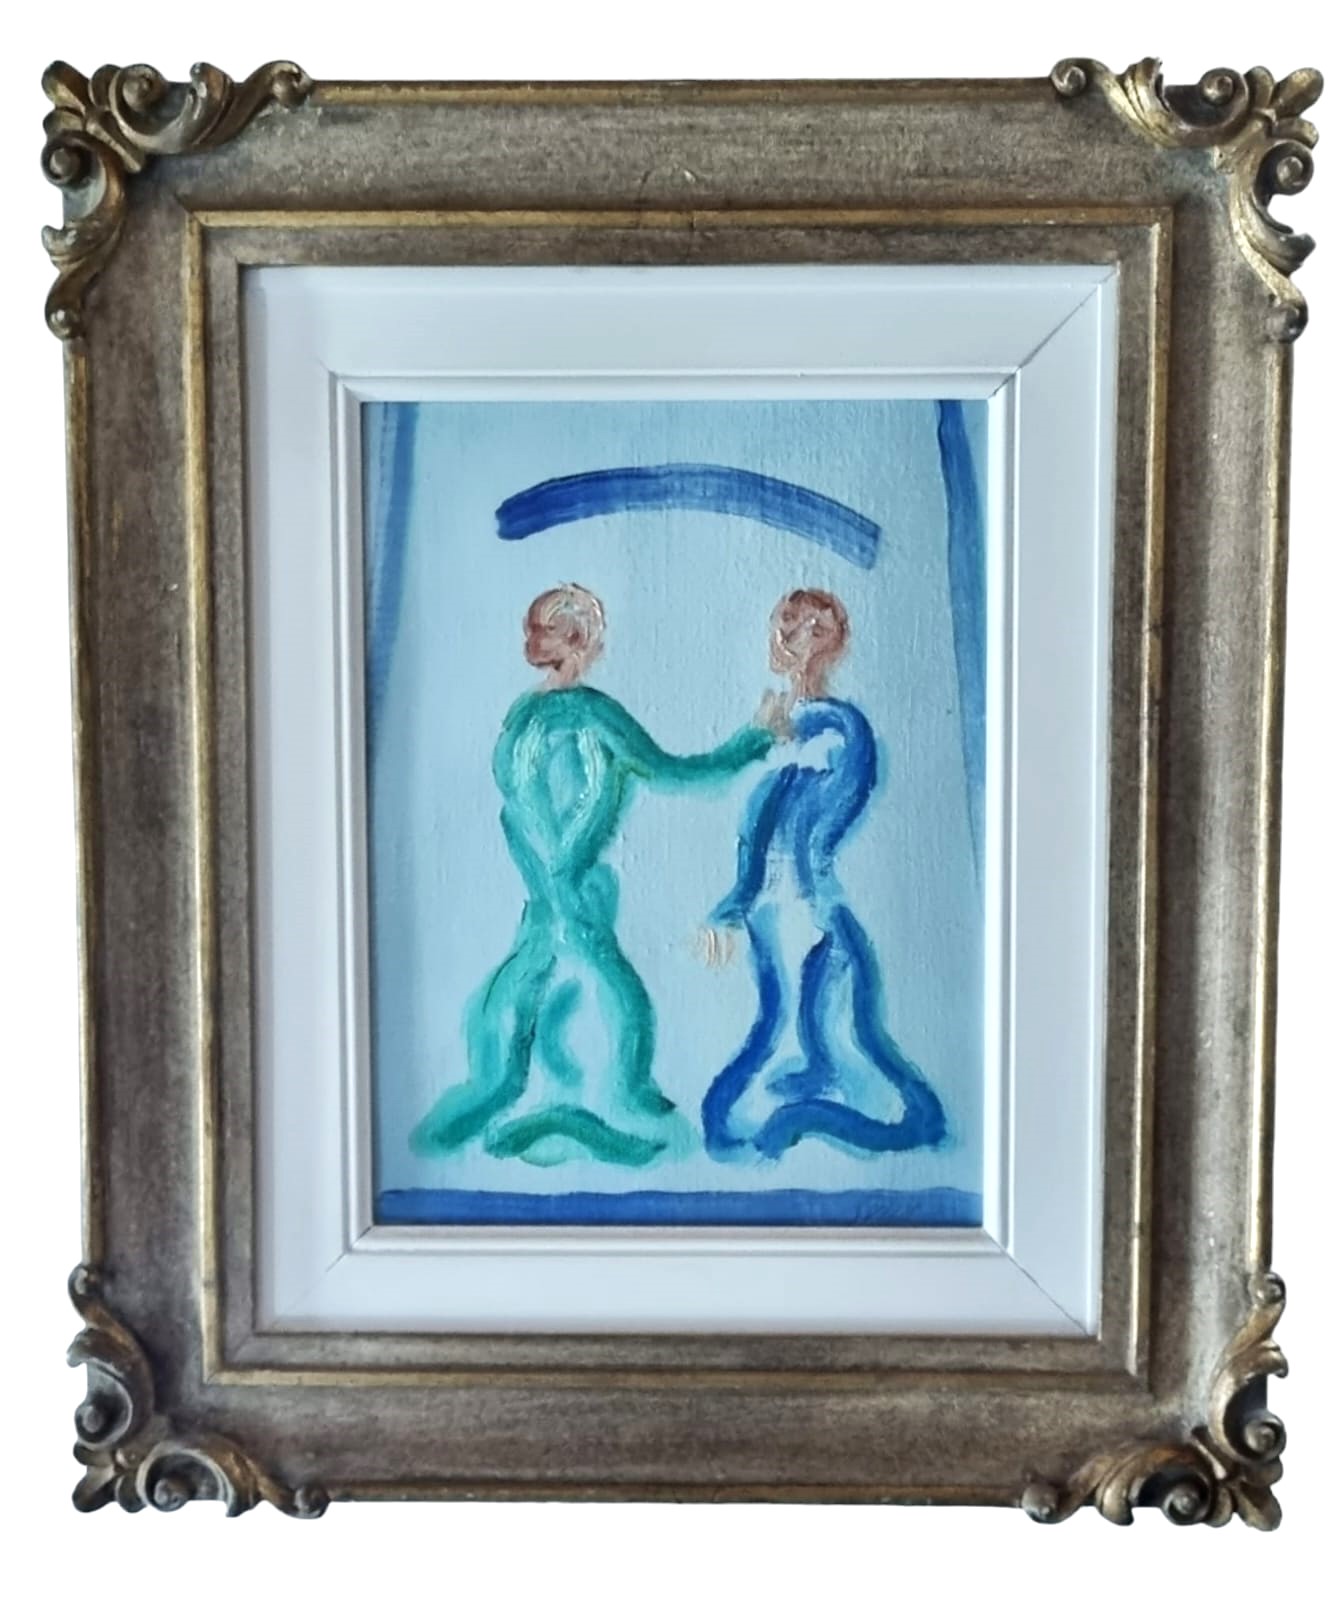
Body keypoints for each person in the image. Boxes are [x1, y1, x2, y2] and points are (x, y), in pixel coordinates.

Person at [413, 583, 780, 1167]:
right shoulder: (570, 715)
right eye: (588, 633)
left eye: (546, 630)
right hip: (563, 888)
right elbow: (670, 773)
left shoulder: (537, 719)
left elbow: (519, 809)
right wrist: (755, 738)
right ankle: (611, 1104)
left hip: (556, 888)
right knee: (592, 986)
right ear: (580, 641)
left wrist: (545, 876)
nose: (535, 639)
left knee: (547, 985)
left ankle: (532, 1100)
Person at [700, 589, 948, 1159]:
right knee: (789, 1013)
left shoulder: (838, 726)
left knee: (835, 1018)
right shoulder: (777, 728)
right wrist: (735, 905)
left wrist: (761, 899)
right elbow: (760, 829)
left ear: (829, 644)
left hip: (804, 899)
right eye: (785, 626)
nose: (789, 640)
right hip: (781, 903)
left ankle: (796, 1116)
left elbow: (815, 821)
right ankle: (785, 1105)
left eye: (807, 630)